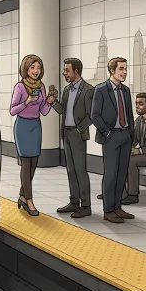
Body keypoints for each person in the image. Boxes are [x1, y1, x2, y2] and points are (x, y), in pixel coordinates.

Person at [9, 54, 56, 217]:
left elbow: (43, 111)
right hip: (22, 126)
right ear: (26, 69)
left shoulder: (41, 86)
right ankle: (29, 201)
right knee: (26, 165)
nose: (36, 71)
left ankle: (22, 196)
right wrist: (27, 101)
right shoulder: (20, 87)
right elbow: (13, 110)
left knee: (34, 163)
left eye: (38, 68)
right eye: (32, 67)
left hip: (36, 126)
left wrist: (48, 102)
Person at [90, 57, 135, 223]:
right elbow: (95, 114)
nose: (124, 72)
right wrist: (107, 133)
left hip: (125, 135)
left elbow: (129, 114)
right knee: (110, 174)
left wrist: (131, 135)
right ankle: (108, 210)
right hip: (111, 136)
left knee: (122, 173)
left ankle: (117, 207)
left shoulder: (126, 91)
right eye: (121, 69)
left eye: (125, 68)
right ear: (112, 71)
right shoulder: (101, 89)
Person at [51, 58, 95, 218]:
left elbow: (92, 115)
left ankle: (86, 205)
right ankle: (74, 202)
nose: (64, 73)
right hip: (66, 133)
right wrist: (53, 102)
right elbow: (62, 110)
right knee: (70, 170)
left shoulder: (88, 90)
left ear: (76, 71)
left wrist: (79, 129)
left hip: (78, 134)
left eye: (67, 70)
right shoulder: (66, 90)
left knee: (80, 170)